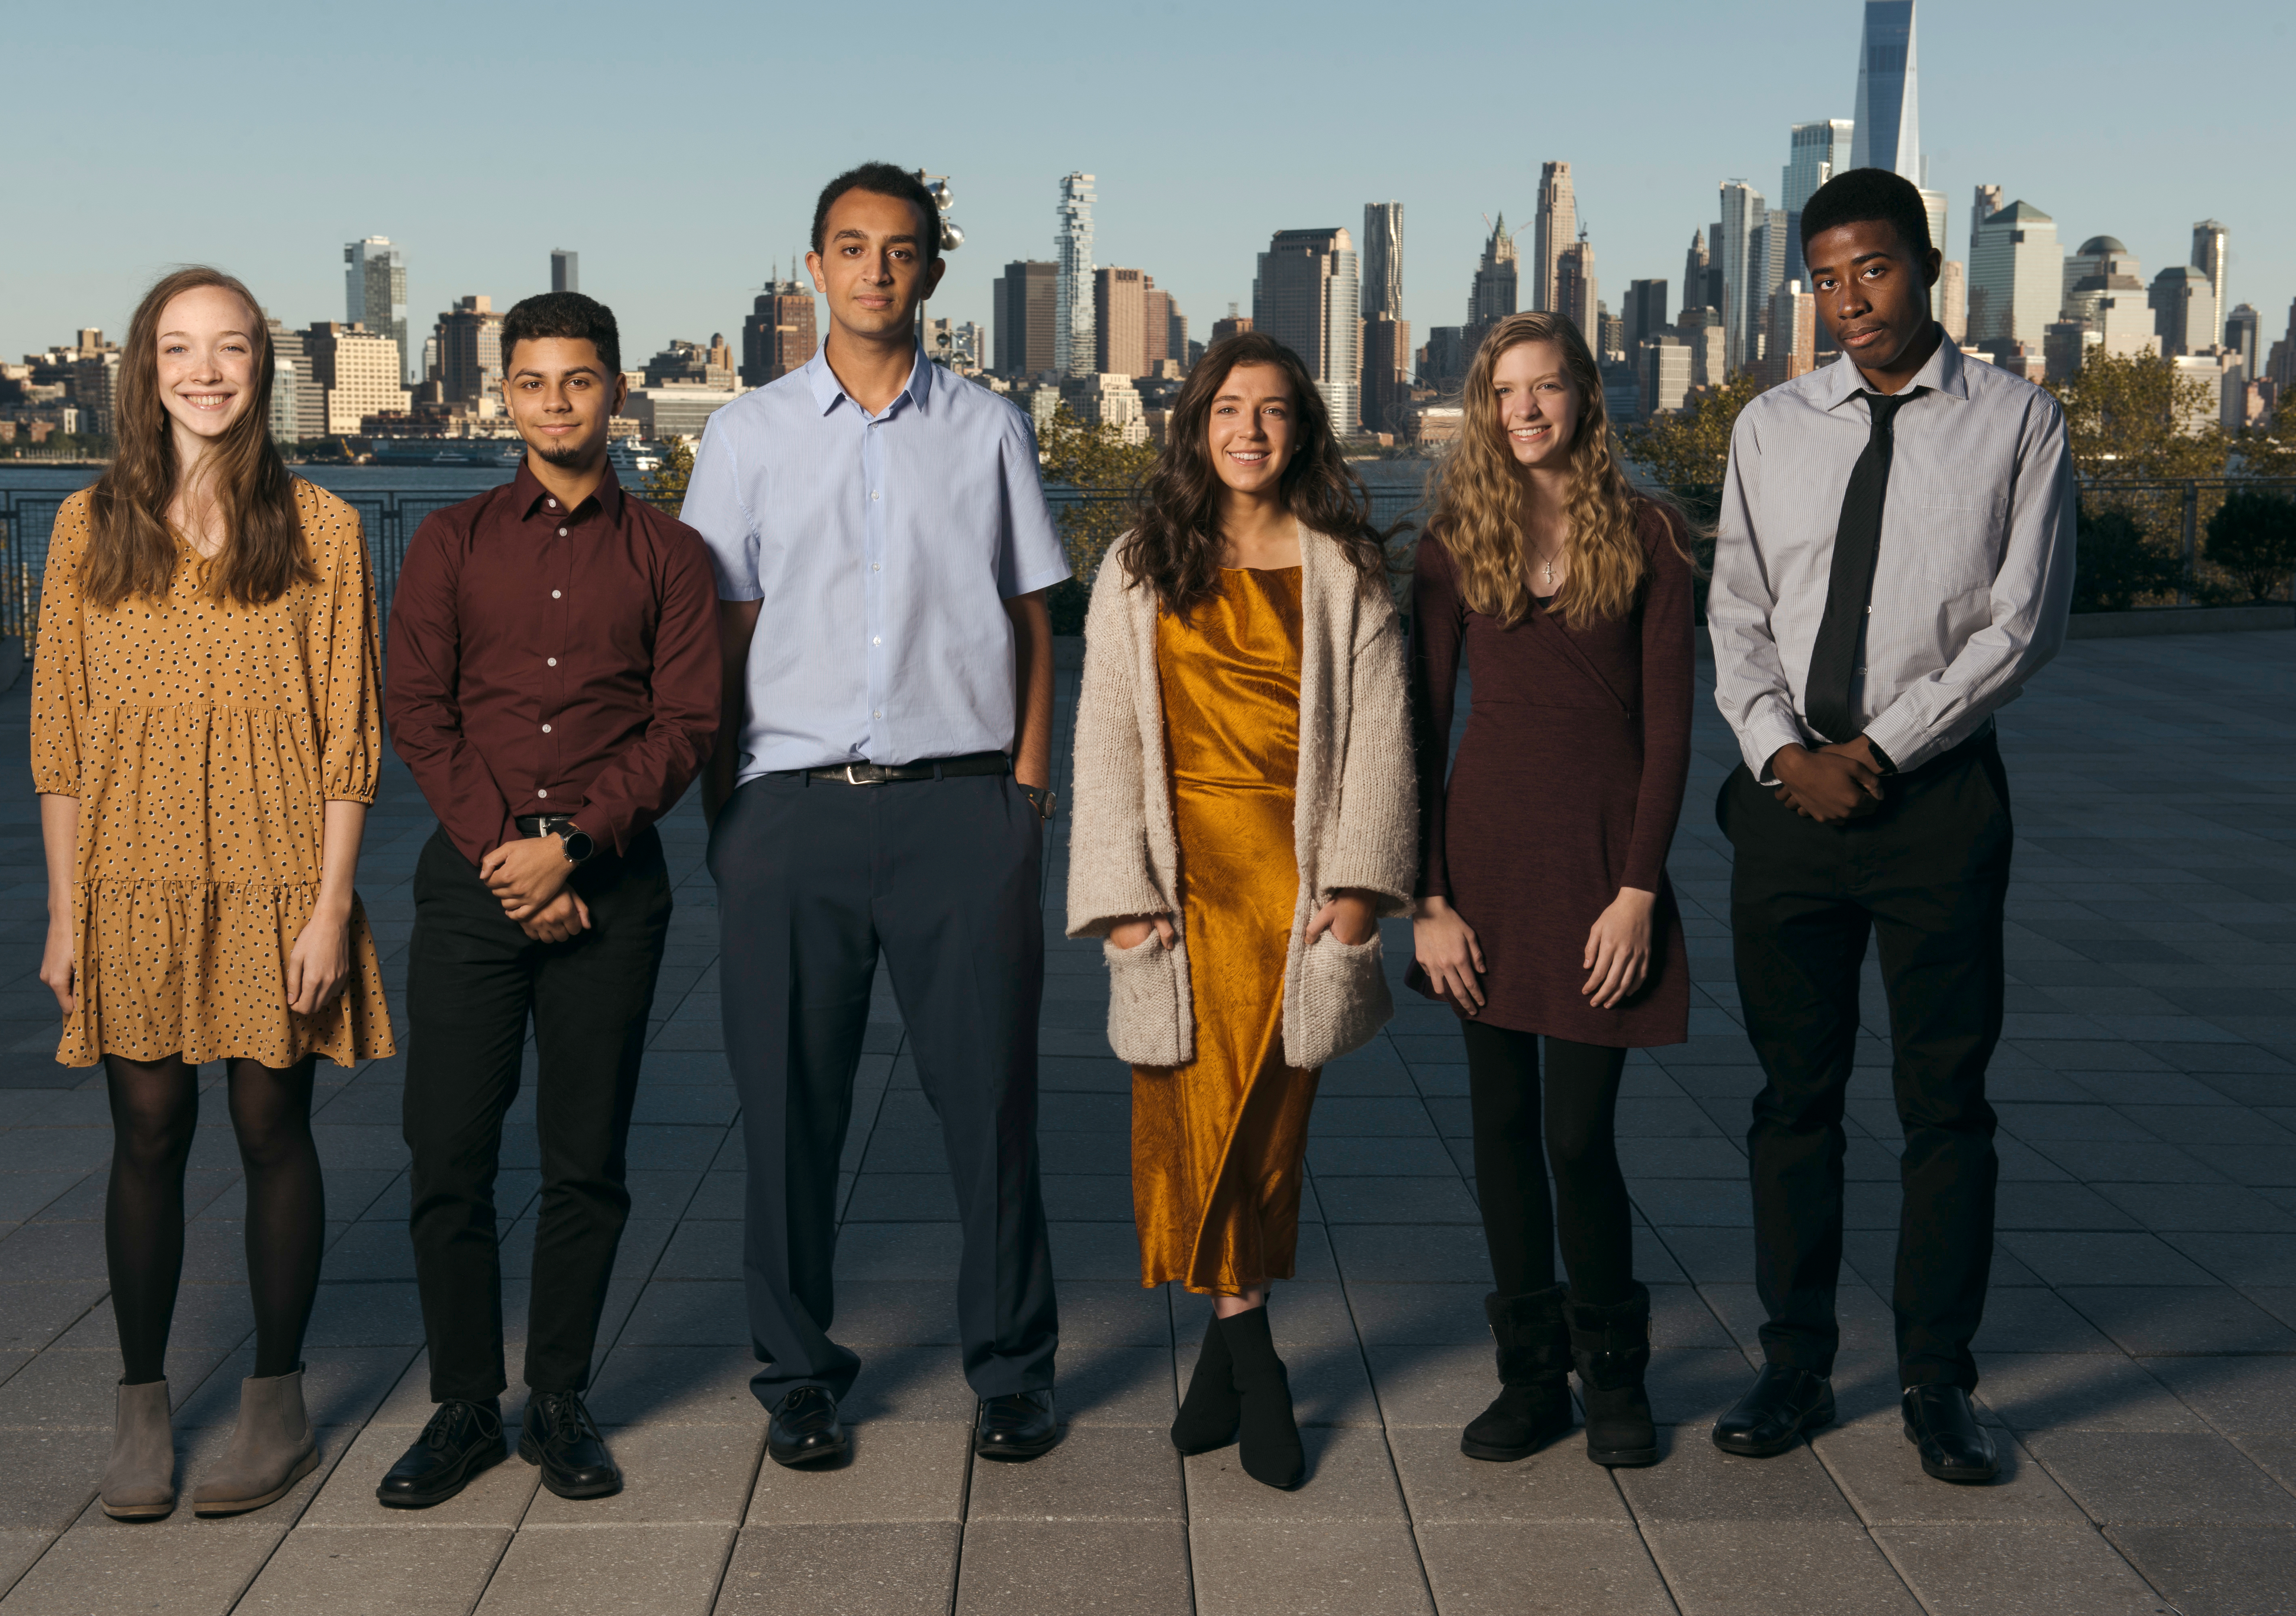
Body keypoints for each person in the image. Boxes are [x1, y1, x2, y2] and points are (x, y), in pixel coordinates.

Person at [682, 162, 1070, 1470]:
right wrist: (732, 816)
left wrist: (1028, 789)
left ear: (932, 275)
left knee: (994, 1106)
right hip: (791, 815)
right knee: (788, 1110)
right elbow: (720, 634)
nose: (875, 272)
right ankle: (797, 1374)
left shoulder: (992, 428)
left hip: (965, 809)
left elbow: (1033, 617)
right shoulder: (743, 437)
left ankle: (1014, 1369)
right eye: (850, 249)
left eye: (900, 252)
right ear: (813, 270)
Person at [1706, 167, 2074, 1484]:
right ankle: (1795, 1362)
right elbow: (1737, 615)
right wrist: (1781, 756)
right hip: (1789, 805)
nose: (1850, 300)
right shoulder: (1771, 428)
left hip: (1937, 807)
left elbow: (2021, 625)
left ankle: (1937, 1384)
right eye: (1825, 278)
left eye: (1873, 269)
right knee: (1791, 1100)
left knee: (1945, 1106)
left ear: (1928, 268)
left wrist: (1879, 750)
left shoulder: (2018, 423)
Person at [32, 267, 393, 1521]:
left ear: (265, 368)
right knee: (145, 1134)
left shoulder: (327, 531)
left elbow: (350, 738)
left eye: (231, 348)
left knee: (268, 1129)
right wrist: (65, 911)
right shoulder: (88, 528)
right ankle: (140, 1410)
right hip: (128, 869)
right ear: (144, 368)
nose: (206, 371)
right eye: (179, 348)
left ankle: (277, 1404)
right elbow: (63, 744)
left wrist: (332, 908)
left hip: (276, 871)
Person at [380, 292, 720, 1507]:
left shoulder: (671, 556)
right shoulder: (452, 543)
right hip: (476, 890)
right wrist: (513, 861)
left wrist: (570, 848)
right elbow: (417, 711)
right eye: (534, 383)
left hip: (614, 893)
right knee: (447, 1154)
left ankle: (560, 1399)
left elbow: (684, 728)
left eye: (579, 381)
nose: (557, 403)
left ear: (615, 392)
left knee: (587, 1161)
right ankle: (466, 1407)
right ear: (506, 395)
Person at [1068, 332, 1414, 1490]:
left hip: (1298, 885)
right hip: (1179, 885)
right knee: (1185, 1121)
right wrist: (1118, 901)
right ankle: (1251, 1355)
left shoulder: (1344, 570)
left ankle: (1230, 1358)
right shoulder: (1137, 564)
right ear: (1196, 425)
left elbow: (1380, 740)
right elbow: (1107, 736)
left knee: (1270, 1128)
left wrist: (1360, 891)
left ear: (1301, 428)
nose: (1250, 431)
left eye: (1272, 411)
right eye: (1228, 410)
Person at [1408, 311, 1696, 1471]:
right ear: (1485, 408)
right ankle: (1531, 1381)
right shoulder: (1449, 543)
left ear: (1585, 395)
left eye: (1547, 388)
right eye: (1505, 392)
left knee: (1579, 1137)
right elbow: (1422, 734)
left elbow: (1671, 735)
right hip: (1483, 870)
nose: (1526, 409)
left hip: (1597, 872)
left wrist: (1638, 892)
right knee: (1503, 1129)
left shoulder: (1653, 537)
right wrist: (1424, 901)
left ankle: (1615, 1376)